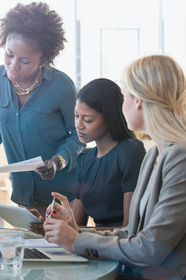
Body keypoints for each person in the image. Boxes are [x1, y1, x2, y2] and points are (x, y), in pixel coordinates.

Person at [43, 55, 186, 279]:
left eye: (125, 96)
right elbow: (132, 233)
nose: (122, 105)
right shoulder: (155, 155)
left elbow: (150, 249)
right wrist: (75, 232)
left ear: (138, 100)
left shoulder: (179, 157)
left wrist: (77, 240)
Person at [0, 2, 85, 215]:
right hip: (23, 191)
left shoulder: (62, 86)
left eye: (24, 60)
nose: (13, 65)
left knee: (57, 247)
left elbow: (77, 135)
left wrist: (57, 161)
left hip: (61, 193)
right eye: (9, 54)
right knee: (28, 246)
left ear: (43, 59)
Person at [29, 78, 146, 235]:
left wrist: (67, 230)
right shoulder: (85, 159)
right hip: (94, 248)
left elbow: (129, 229)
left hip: (122, 250)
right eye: (76, 116)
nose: (78, 125)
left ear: (110, 118)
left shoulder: (131, 151)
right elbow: (77, 226)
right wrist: (53, 224)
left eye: (88, 119)